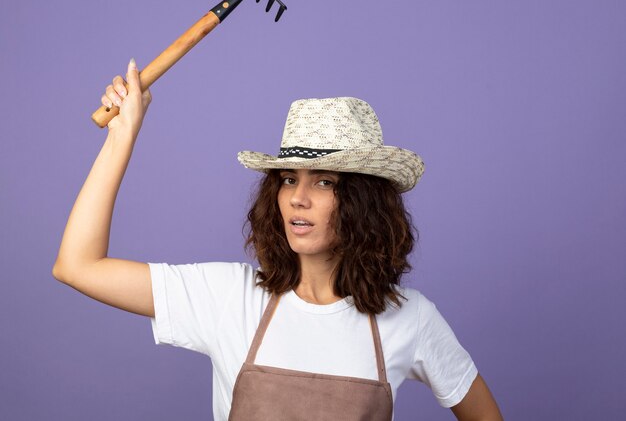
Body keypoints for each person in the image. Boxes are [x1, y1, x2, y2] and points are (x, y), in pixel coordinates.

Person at [53, 59, 503, 420]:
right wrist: (122, 136)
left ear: (364, 202)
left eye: (324, 182)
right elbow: (77, 265)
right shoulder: (229, 298)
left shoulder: (411, 320)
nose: (298, 199)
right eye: (288, 179)